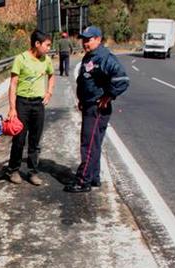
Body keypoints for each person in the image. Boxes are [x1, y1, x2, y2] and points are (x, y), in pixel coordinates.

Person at [64, 26, 130, 193]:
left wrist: (109, 95)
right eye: (84, 39)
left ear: (98, 39)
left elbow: (122, 79)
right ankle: (93, 177)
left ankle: (83, 180)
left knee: (88, 144)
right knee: (94, 144)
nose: (85, 43)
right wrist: (81, 99)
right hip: (88, 104)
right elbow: (86, 80)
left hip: (97, 108)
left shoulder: (104, 57)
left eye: (89, 39)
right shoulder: (90, 56)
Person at [7, 30, 56, 186]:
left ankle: (33, 172)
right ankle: (13, 170)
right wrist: (12, 108)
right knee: (19, 139)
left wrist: (49, 92)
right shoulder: (20, 59)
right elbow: (13, 84)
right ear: (37, 44)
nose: (49, 48)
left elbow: (52, 75)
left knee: (35, 140)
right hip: (22, 103)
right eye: (47, 45)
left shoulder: (46, 60)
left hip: (38, 104)